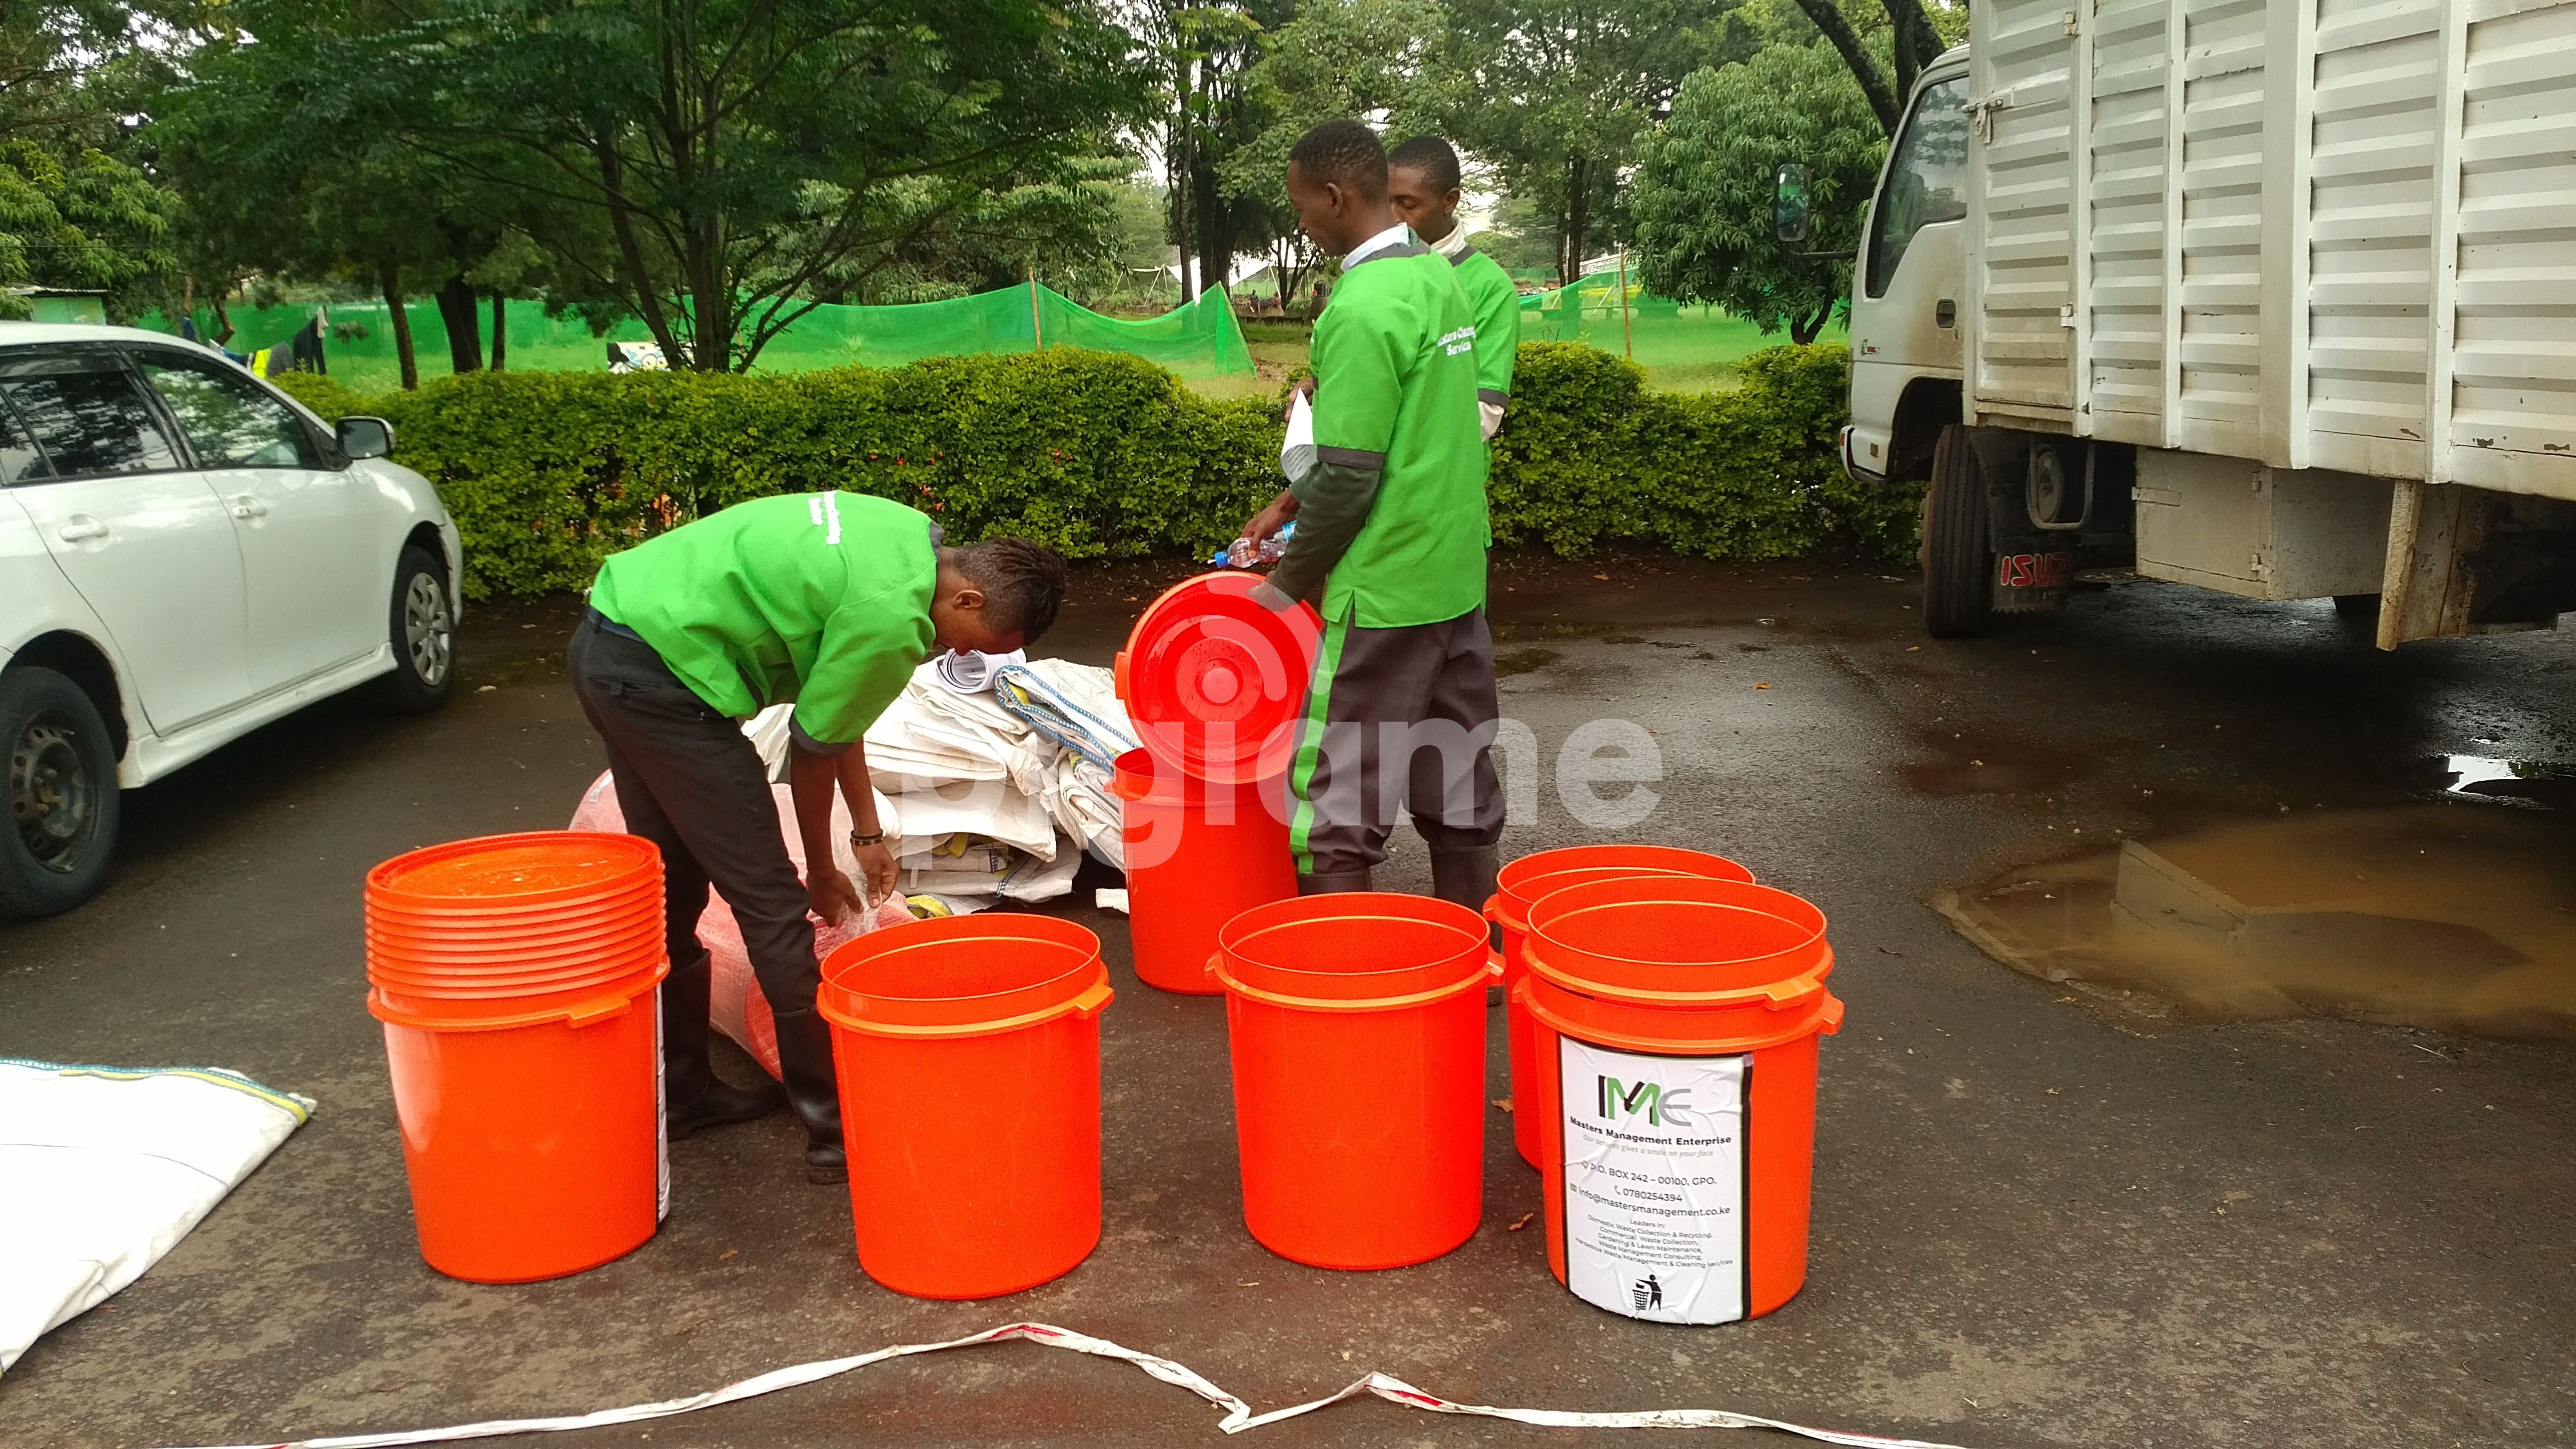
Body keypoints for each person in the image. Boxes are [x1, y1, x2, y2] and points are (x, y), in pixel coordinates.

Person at [568, 496, 1067, 1182]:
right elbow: (809, 749)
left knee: (676, 885)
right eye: (973, 641)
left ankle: (683, 1092)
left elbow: (838, 714)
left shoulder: (902, 538)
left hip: (610, 645)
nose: (958, 653)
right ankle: (837, 1128)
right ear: (969, 598)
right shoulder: (895, 619)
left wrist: (866, 831)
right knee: (774, 904)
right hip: (665, 682)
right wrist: (822, 873)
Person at [1239, 119, 1502, 916]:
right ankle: (1479, 958)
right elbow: (1410, 429)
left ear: (1333, 196)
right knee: (1453, 769)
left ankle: (1344, 976)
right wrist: (1292, 500)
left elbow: (1351, 478)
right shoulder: (1436, 276)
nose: (1301, 223)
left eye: (1300, 207)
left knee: (1335, 802)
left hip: (1384, 588)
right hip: (1453, 571)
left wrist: (1286, 585)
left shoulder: (1359, 307)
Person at [1388, 136, 1520, 443]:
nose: (1394, 217)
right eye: (1386, 202)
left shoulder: (1490, 287)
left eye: (1408, 205)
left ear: (1450, 201)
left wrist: (1376, 418)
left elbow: (1482, 415)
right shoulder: (1375, 272)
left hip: (1443, 472)